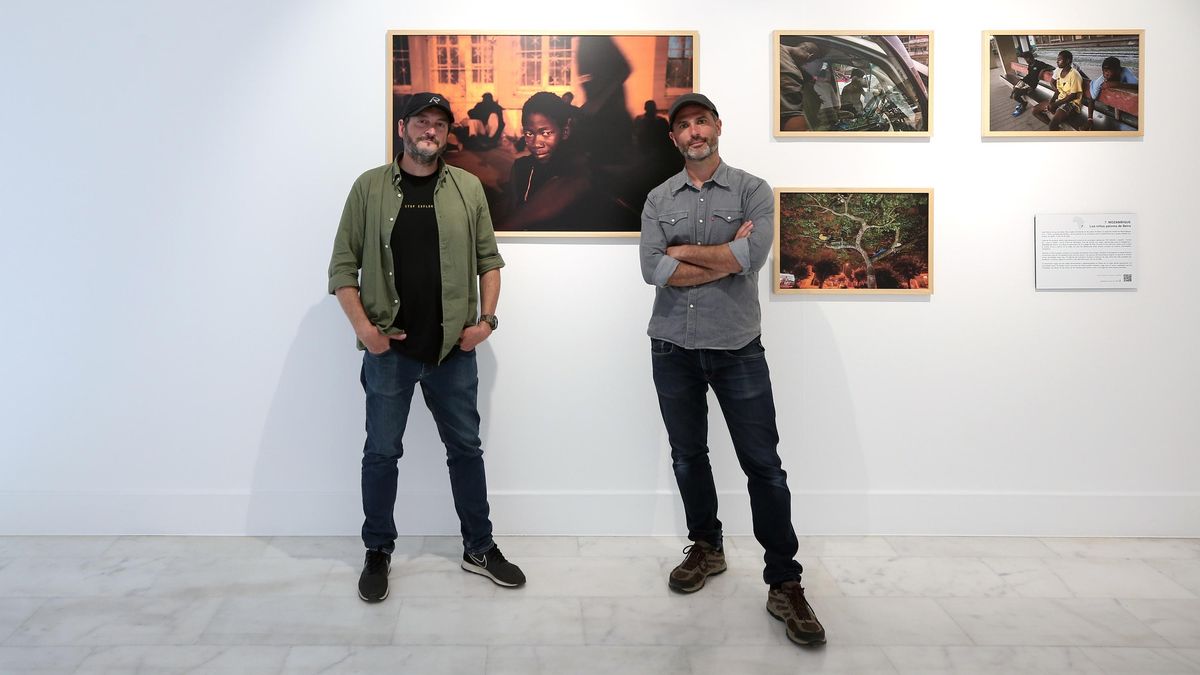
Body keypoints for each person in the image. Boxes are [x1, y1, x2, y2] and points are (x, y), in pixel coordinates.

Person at [639, 93, 826, 646]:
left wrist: (685, 252)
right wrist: (721, 254)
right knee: (688, 456)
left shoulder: (752, 190)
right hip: (672, 346)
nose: (694, 132)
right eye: (683, 126)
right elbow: (652, 269)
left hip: (737, 346)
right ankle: (707, 548)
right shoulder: (657, 198)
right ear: (673, 138)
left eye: (701, 121)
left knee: (763, 466)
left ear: (716, 126)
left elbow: (753, 259)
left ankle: (784, 581)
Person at [328, 92, 526, 603]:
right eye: (422, 121)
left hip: (452, 353)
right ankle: (378, 551)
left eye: (439, 123)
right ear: (403, 127)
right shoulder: (369, 189)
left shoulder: (467, 188)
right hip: (389, 353)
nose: (430, 130)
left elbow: (490, 259)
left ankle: (478, 548)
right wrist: (366, 333)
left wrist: (486, 322)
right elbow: (341, 268)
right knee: (381, 453)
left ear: (446, 133)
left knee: (466, 450)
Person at [504, 91, 593, 231]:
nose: (536, 143)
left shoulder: (574, 175)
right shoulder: (520, 168)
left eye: (546, 133)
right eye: (529, 133)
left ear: (565, 131)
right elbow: (514, 211)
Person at [1032, 50, 1083, 130]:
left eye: (1059, 60)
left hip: (1071, 103)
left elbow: (1073, 96)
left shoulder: (1074, 75)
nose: (1057, 62)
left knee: (1052, 126)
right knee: (1034, 110)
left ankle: (1054, 127)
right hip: (1060, 99)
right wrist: (1052, 101)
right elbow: (1058, 90)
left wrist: (1055, 104)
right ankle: (1057, 129)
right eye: (1057, 59)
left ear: (1068, 61)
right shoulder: (1059, 71)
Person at [1084, 56, 1139, 130]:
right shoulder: (1100, 81)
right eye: (1104, 71)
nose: (1106, 74)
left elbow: (1138, 86)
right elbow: (1091, 99)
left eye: (1108, 71)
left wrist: (1115, 84)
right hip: (1093, 87)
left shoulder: (1125, 71)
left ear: (1118, 70)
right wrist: (1090, 119)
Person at [1010, 50, 1053, 117]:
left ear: (1029, 58)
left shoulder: (1039, 64)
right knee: (1013, 91)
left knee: (1015, 96)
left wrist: (1043, 70)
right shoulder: (1030, 65)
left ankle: (1023, 104)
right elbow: (1029, 75)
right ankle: (1023, 103)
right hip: (1025, 81)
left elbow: (1052, 67)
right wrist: (1021, 81)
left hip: (1031, 85)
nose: (1025, 61)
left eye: (1026, 59)